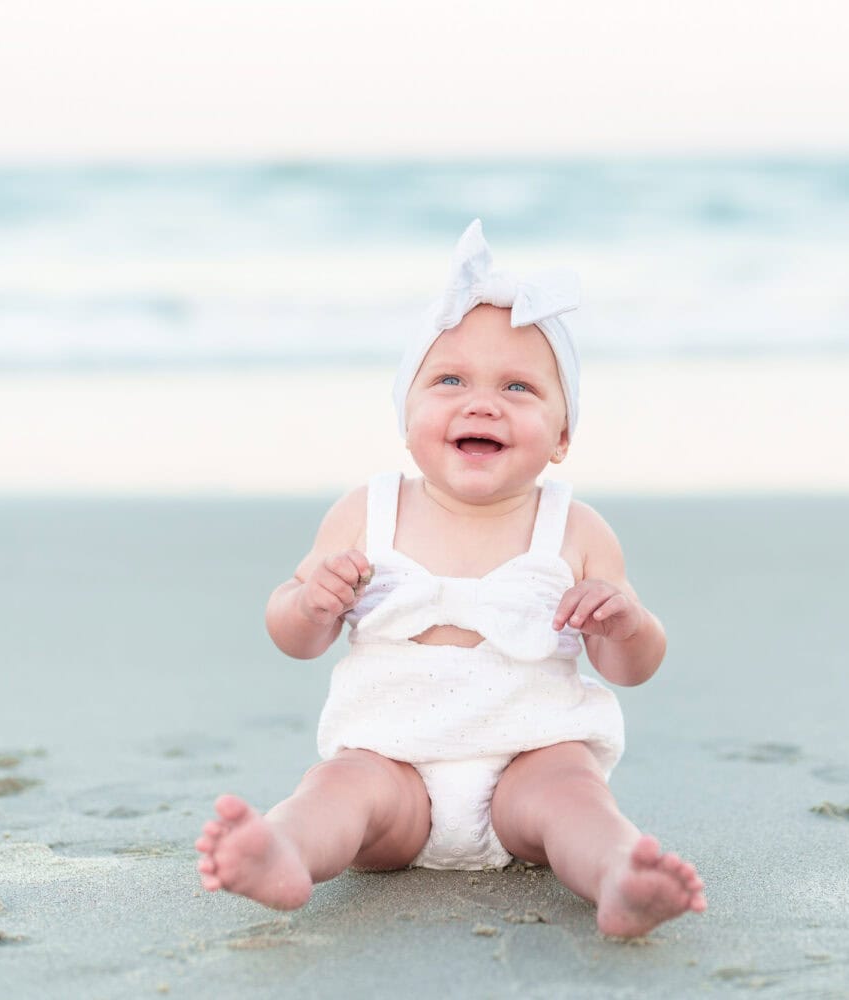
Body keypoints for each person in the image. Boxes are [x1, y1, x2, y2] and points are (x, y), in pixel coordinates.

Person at [195, 220, 706, 937]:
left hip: (527, 760)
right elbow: (292, 633)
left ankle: (621, 875)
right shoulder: (365, 512)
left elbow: (632, 666)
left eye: (519, 386)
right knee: (336, 791)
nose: (482, 402)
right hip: (392, 763)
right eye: (450, 380)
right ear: (407, 417)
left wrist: (623, 622)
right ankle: (284, 851)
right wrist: (312, 604)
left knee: (576, 799)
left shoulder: (575, 528)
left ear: (563, 436)